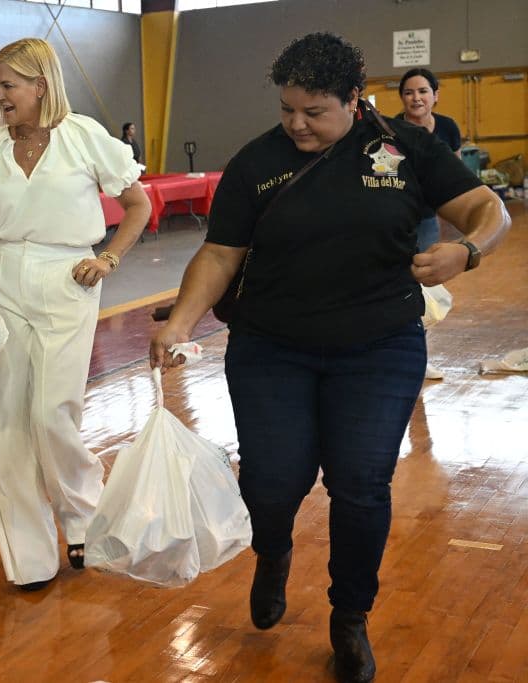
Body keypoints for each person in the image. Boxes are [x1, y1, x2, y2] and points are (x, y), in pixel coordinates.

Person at [149, 33, 509, 683]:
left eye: (314, 112)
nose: (296, 123)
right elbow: (220, 252)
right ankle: (274, 548)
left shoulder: (406, 150)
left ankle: (350, 617)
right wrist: (177, 321)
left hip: (380, 346)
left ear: (354, 99)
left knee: (361, 481)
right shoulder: (258, 162)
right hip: (271, 347)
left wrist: (469, 250)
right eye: (288, 109)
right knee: (271, 478)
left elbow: (490, 208)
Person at [0, 38, 151, 591]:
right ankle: (29, 557)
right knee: (9, 424)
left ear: (40, 85)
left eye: (7, 85)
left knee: (51, 414)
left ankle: (83, 518)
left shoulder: (83, 136)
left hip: (69, 279)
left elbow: (139, 204)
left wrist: (108, 257)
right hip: (4, 281)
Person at [396, 67, 464, 380]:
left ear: (435, 95)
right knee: (397, 285)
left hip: (427, 219)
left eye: (423, 91)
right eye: (409, 92)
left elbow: (457, 172)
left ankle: (418, 358)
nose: (416, 98)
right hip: (396, 218)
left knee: (423, 289)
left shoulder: (448, 128)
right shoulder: (392, 130)